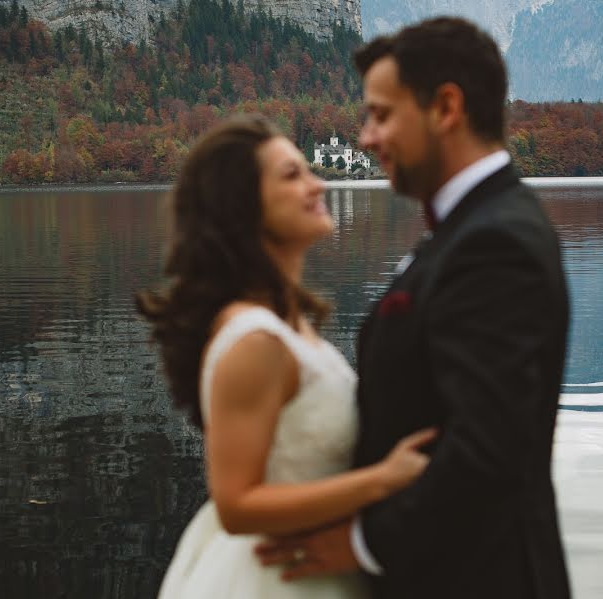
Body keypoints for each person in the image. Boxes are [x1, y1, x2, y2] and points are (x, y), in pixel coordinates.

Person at [256, 17, 573, 599]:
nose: (366, 138)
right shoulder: (470, 231)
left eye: (381, 114)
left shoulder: (497, 243)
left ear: (445, 108)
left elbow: (487, 453)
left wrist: (359, 543)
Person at [136, 114, 436, 599]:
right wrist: (381, 481)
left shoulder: (287, 324)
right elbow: (236, 506)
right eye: (292, 175)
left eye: (308, 170)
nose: (318, 184)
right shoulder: (254, 340)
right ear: (243, 206)